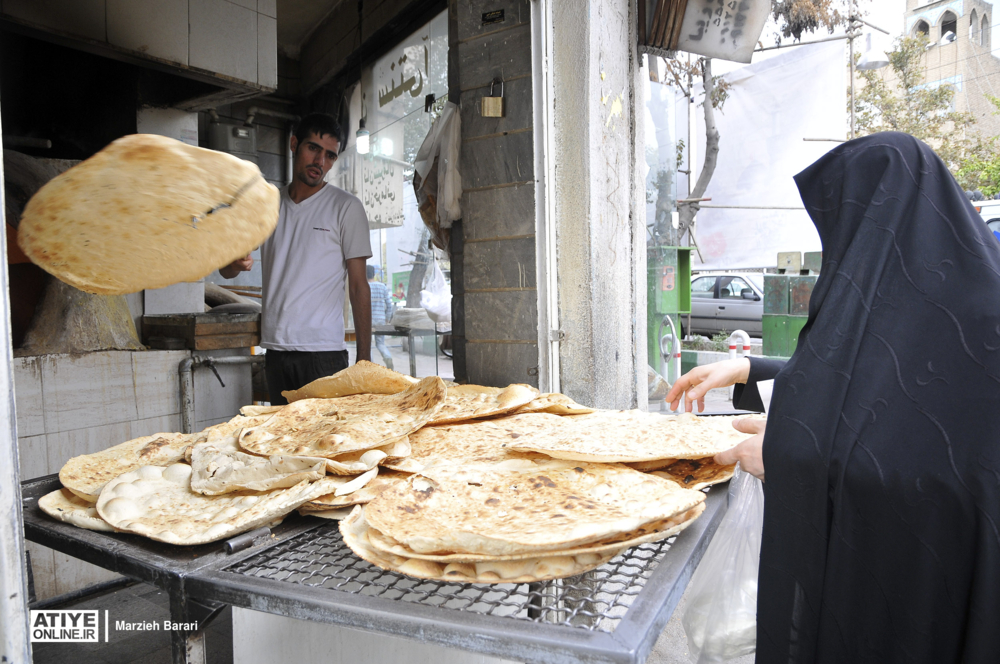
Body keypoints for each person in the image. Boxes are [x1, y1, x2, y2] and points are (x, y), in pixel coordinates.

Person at [666, 133, 1000, 663]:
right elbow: (873, 381)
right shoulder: (931, 287)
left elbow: (938, 469)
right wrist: (749, 369)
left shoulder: (984, 314)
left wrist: (790, 456)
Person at [221, 113, 372, 405]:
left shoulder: (346, 207)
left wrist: (364, 359)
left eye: (329, 155)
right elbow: (226, 271)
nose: (320, 162)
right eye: (313, 148)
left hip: (324, 355)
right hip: (276, 352)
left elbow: (358, 286)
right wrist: (235, 263)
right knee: (281, 445)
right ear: (294, 144)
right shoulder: (267, 206)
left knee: (326, 446)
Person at [367, 264, 394, 370]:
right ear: (374, 274)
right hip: (380, 320)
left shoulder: (365, 287)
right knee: (380, 343)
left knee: (367, 345)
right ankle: (388, 357)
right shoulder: (382, 286)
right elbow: (389, 304)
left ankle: (371, 366)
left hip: (367, 320)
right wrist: (387, 318)